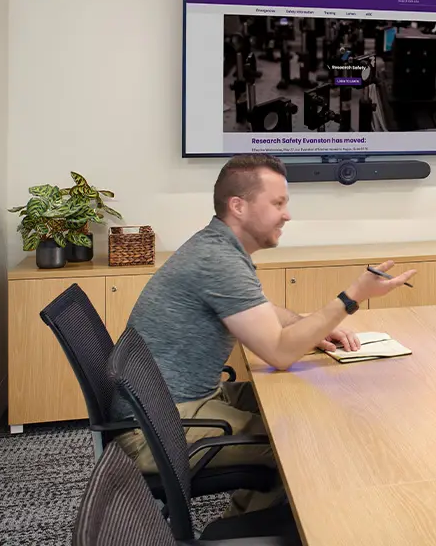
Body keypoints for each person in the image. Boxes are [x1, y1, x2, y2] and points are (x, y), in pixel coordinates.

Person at [113, 154, 416, 515]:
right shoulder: (218, 260)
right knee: (299, 444)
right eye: (278, 203)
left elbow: (263, 312)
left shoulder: (217, 247)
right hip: (156, 429)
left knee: (308, 402)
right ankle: (243, 531)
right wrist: (352, 297)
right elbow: (279, 353)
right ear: (238, 206)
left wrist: (310, 327)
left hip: (168, 407)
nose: (287, 215)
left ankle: (250, 518)